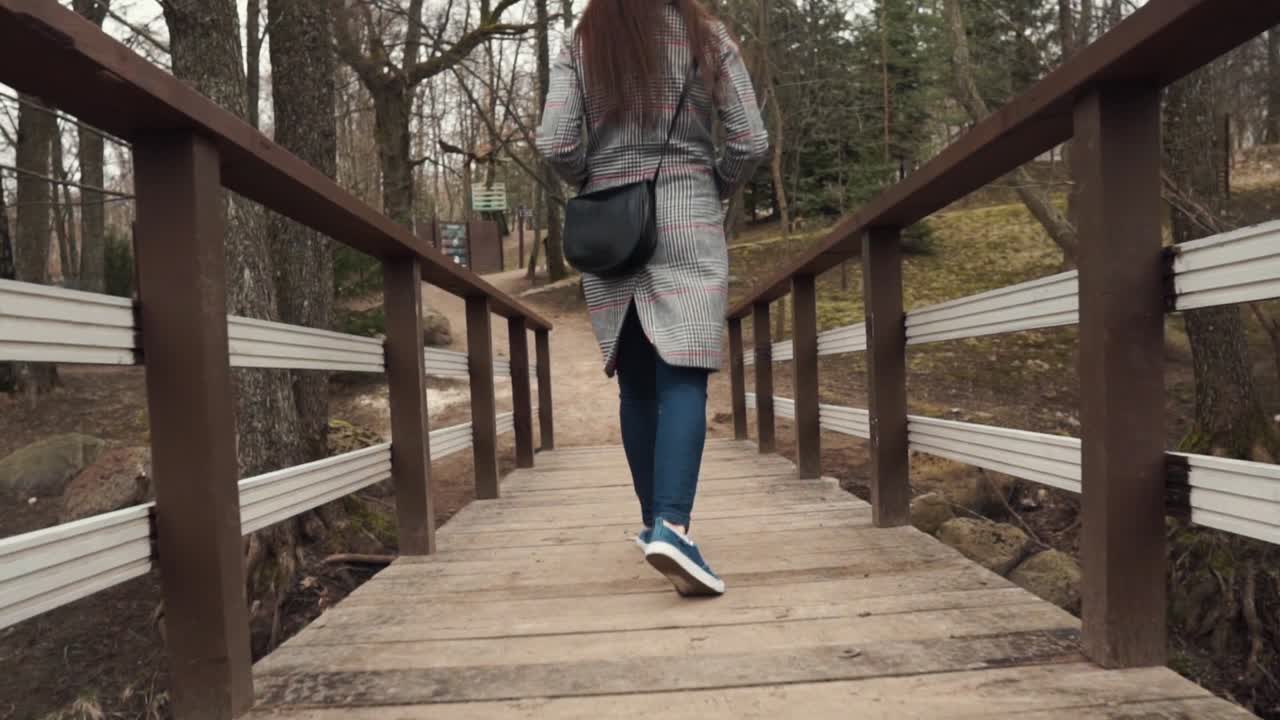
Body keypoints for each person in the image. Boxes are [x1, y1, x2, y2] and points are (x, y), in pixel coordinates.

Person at [536, 0, 768, 596]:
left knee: (637, 384)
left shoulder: (583, 40)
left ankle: (654, 525)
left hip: (612, 225)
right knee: (684, 376)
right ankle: (671, 525)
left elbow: (557, 143)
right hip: (687, 214)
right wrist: (709, 184)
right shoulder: (705, 35)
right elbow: (748, 139)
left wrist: (599, 175)